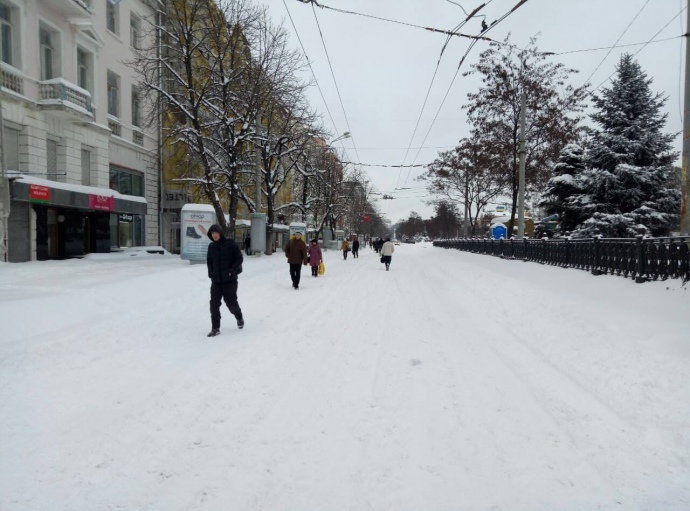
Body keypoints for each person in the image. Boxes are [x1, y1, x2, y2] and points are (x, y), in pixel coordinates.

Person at [206, 224, 244, 337]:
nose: (214, 235)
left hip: (230, 281)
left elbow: (239, 258)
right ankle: (215, 328)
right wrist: (211, 274)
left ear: (220, 233)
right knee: (214, 304)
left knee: (231, 303)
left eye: (216, 233)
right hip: (216, 282)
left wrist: (231, 270)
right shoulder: (211, 247)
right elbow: (209, 261)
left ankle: (239, 317)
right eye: (212, 233)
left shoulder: (230, 244)